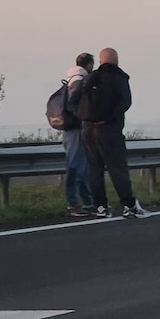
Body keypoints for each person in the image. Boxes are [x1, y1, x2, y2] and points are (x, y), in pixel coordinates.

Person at [77, 48, 146, 219]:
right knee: (117, 168)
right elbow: (125, 102)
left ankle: (101, 207)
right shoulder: (118, 76)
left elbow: (79, 101)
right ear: (116, 60)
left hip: (87, 129)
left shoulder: (90, 77)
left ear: (100, 61)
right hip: (108, 129)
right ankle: (129, 206)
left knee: (94, 169)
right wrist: (109, 117)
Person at [62, 52, 95, 217]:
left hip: (74, 129)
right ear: (89, 65)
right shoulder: (79, 80)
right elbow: (72, 103)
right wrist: (83, 117)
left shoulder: (73, 78)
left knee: (82, 167)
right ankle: (74, 204)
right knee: (76, 166)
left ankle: (89, 202)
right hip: (76, 129)